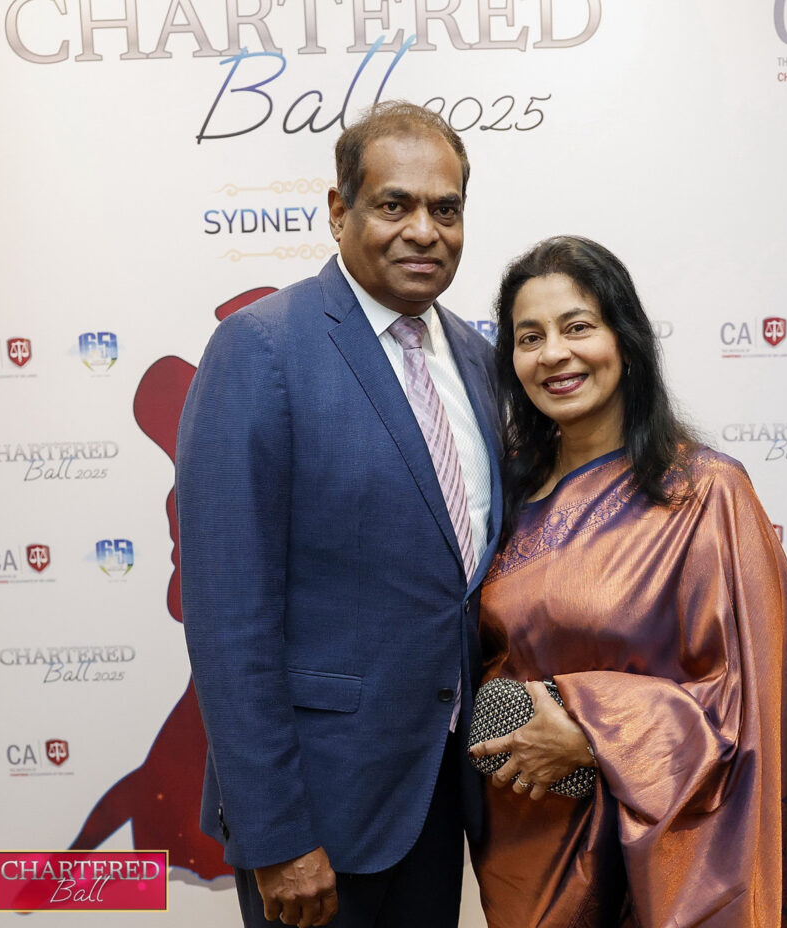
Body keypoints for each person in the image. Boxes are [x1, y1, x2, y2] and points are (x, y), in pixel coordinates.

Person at [176, 102, 502, 928]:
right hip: (318, 815)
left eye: (446, 209)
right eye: (395, 204)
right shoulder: (262, 349)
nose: (424, 231)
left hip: (441, 797)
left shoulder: (479, 359)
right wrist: (277, 836)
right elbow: (229, 620)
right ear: (338, 210)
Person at [468, 236, 787, 928]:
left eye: (578, 327)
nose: (553, 354)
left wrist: (595, 732)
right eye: (530, 337)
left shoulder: (705, 493)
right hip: (529, 845)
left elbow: (745, 707)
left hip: (669, 857)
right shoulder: (504, 497)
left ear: (626, 340)